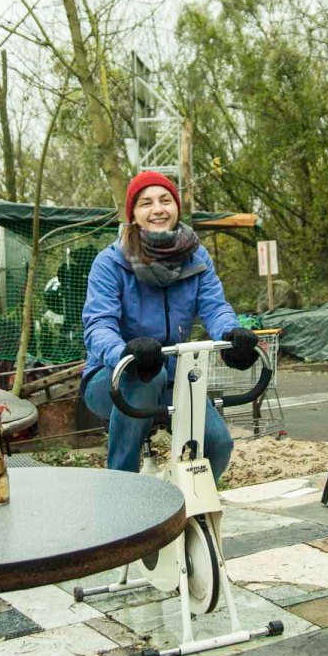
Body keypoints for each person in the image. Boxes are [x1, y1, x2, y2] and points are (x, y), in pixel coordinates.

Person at [82, 171, 259, 481]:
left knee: (217, 443)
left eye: (165, 200)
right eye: (146, 203)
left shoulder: (196, 258)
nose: (158, 209)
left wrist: (230, 334)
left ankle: (183, 506)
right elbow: (98, 324)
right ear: (134, 215)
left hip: (174, 377)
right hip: (114, 377)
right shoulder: (110, 263)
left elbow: (215, 307)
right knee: (147, 377)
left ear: (176, 207)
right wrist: (124, 352)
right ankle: (119, 488)